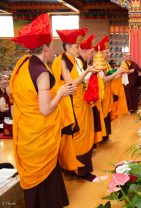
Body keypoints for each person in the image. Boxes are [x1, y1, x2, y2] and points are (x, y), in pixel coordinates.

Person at [10, 13, 77, 207]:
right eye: (51, 45)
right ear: (45, 47)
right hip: (40, 136)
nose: (52, 49)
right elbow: (45, 109)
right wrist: (61, 93)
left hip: (27, 133)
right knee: (45, 174)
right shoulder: (41, 73)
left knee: (39, 177)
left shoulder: (22, 64)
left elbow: (13, 95)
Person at [52, 28, 104, 182]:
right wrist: (86, 71)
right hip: (72, 104)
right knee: (78, 136)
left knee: (86, 135)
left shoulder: (77, 61)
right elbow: (71, 84)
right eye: (76, 46)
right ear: (67, 46)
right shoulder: (61, 61)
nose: (79, 49)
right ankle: (79, 170)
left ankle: (78, 168)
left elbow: (83, 83)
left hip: (83, 101)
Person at [93, 35, 126, 141]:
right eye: (106, 52)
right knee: (103, 114)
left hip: (108, 92)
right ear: (100, 53)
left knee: (107, 115)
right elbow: (102, 80)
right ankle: (102, 137)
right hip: (102, 93)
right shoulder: (98, 64)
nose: (108, 54)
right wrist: (117, 72)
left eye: (108, 52)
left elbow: (109, 75)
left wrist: (117, 73)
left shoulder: (106, 63)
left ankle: (105, 136)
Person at [78, 34, 107, 145]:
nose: (92, 55)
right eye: (91, 52)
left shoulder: (84, 62)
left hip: (90, 97)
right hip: (83, 98)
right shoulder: (79, 62)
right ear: (84, 51)